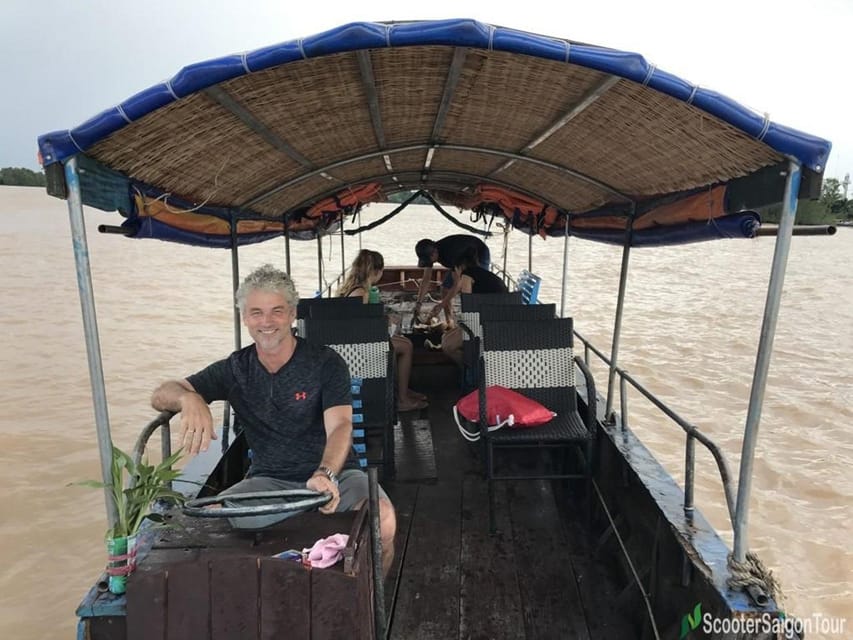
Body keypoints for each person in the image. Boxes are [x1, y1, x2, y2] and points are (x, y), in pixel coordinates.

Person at [151, 264, 396, 575]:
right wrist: (189, 398)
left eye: (276, 311)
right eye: (256, 312)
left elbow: (340, 426)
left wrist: (325, 473)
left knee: (384, 522)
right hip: (269, 483)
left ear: (292, 314)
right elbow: (160, 394)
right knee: (208, 521)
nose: (266, 322)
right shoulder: (236, 369)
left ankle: (375, 601)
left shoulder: (325, 363)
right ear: (245, 318)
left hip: (336, 476)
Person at [337, 249, 428, 412]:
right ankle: (402, 400)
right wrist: (387, 324)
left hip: (351, 340)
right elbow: (364, 327)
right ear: (377, 272)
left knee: (403, 341)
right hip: (359, 346)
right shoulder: (361, 293)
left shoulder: (353, 288)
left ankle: (402, 389)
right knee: (406, 347)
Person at [431, 248, 508, 367]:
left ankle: (474, 372)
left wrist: (457, 280)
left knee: (448, 347)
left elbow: (468, 307)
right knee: (446, 336)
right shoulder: (482, 274)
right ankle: (474, 368)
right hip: (502, 321)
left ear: (458, 267)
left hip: (488, 326)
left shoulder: (467, 276)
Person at [413, 235, 491, 320]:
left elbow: (457, 284)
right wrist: (419, 303)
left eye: (429, 259)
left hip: (479, 252)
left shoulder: (450, 254)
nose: (429, 262)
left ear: (435, 252)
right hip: (460, 257)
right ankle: (449, 323)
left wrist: (441, 305)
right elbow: (426, 279)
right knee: (445, 289)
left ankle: (480, 320)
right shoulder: (429, 252)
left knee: (475, 288)